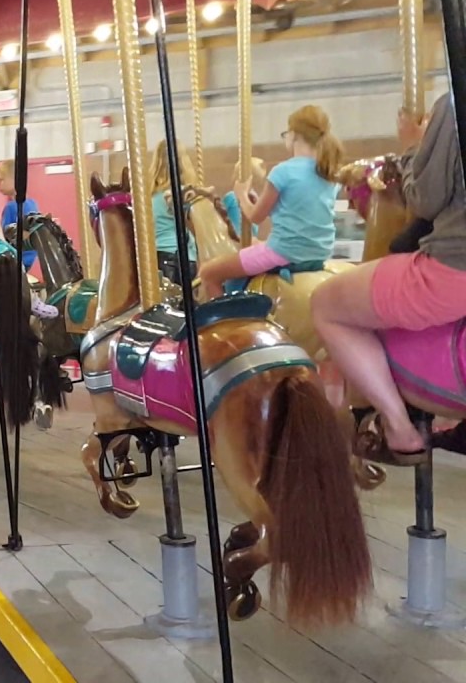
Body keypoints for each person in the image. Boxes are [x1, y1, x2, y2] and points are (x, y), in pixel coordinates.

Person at [313, 95, 466, 461]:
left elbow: (426, 199)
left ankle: (398, 426)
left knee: (325, 305)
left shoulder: (454, 97)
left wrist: (415, 146)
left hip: (455, 266)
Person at [199, 105, 343, 299]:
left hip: (286, 252)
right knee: (256, 245)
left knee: (209, 273)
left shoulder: (283, 171)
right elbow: (297, 210)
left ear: (294, 135)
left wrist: (241, 195)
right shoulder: (328, 173)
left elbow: (255, 217)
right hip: (319, 252)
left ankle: (229, 322)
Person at [144, 141, 200, 287]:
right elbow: (198, 229)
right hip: (181, 258)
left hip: (155, 259)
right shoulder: (183, 193)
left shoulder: (148, 195)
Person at [0, 160, 41, 271]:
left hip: (17, 259)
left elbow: (3, 239)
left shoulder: (11, 207)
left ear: (15, 180)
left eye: (1, 179)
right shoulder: (32, 203)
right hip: (32, 257)